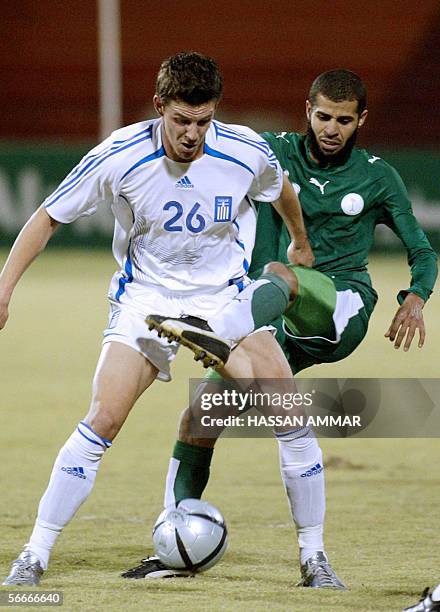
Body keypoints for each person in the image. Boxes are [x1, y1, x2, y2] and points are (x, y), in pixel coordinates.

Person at [0, 51, 313, 587]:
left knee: (292, 415)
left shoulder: (242, 150)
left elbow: (280, 187)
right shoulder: (118, 154)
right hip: (146, 304)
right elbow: (47, 216)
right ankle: (34, 554)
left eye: (203, 120)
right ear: (158, 107)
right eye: (181, 120)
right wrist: (4, 288)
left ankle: (315, 558)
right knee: (104, 419)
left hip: (223, 304)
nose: (193, 134)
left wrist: (300, 241)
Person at [122, 70, 438, 584]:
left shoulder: (379, 176)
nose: (331, 128)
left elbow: (422, 252)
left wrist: (416, 299)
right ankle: (175, 540)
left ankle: (213, 328)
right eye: (322, 117)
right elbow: (205, 148)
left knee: (281, 276)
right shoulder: (271, 152)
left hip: (339, 309)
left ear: (361, 121)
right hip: (269, 317)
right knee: (199, 417)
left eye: (343, 120)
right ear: (307, 109)